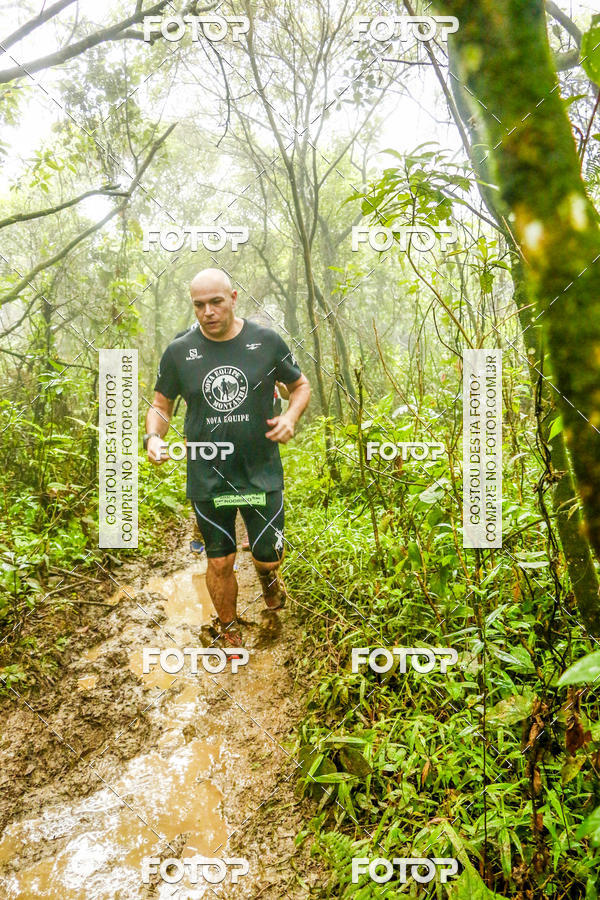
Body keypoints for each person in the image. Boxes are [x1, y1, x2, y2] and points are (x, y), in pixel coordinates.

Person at [144, 268, 310, 648]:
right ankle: (229, 630)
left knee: (267, 555)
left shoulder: (266, 342)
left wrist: (290, 416)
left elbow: (299, 385)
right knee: (219, 559)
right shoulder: (179, 351)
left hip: (260, 469)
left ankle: (268, 577)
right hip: (208, 472)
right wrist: (153, 436)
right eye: (199, 305)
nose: (207, 312)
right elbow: (161, 404)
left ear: (233, 298)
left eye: (216, 302)